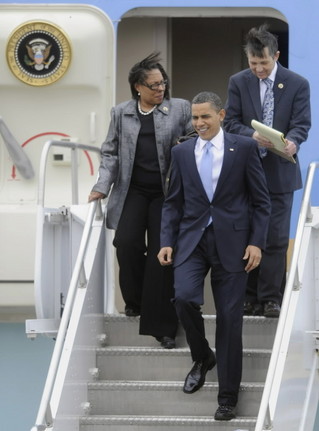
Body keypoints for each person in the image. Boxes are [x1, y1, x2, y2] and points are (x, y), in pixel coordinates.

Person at [158, 91, 271, 420]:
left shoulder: (245, 147)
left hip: (234, 244)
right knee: (183, 298)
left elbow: (261, 201)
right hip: (192, 240)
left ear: (221, 116)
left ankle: (227, 398)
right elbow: (173, 202)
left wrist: (256, 243)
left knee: (229, 321)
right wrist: (166, 239)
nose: (199, 123)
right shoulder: (181, 152)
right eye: (195, 118)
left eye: (205, 117)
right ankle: (203, 355)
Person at [89, 52, 193, 348]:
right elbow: (110, 152)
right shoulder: (121, 112)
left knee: (162, 253)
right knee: (127, 243)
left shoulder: (180, 109)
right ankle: (134, 301)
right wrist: (101, 186)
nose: (160, 89)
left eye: (163, 83)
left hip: (167, 193)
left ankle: (162, 326)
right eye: (153, 85)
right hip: (132, 190)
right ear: (138, 87)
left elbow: (193, 143)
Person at [224, 24, 311, 318]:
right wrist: (250, 136)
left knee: (275, 237)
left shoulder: (297, 83)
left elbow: (302, 123)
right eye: (253, 63)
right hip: (246, 171)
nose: (258, 69)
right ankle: (248, 296)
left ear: (276, 55)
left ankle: (271, 297)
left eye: (263, 63)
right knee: (246, 233)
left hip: (280, 171)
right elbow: (230, 122)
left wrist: (294, 142)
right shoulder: (239, 82)